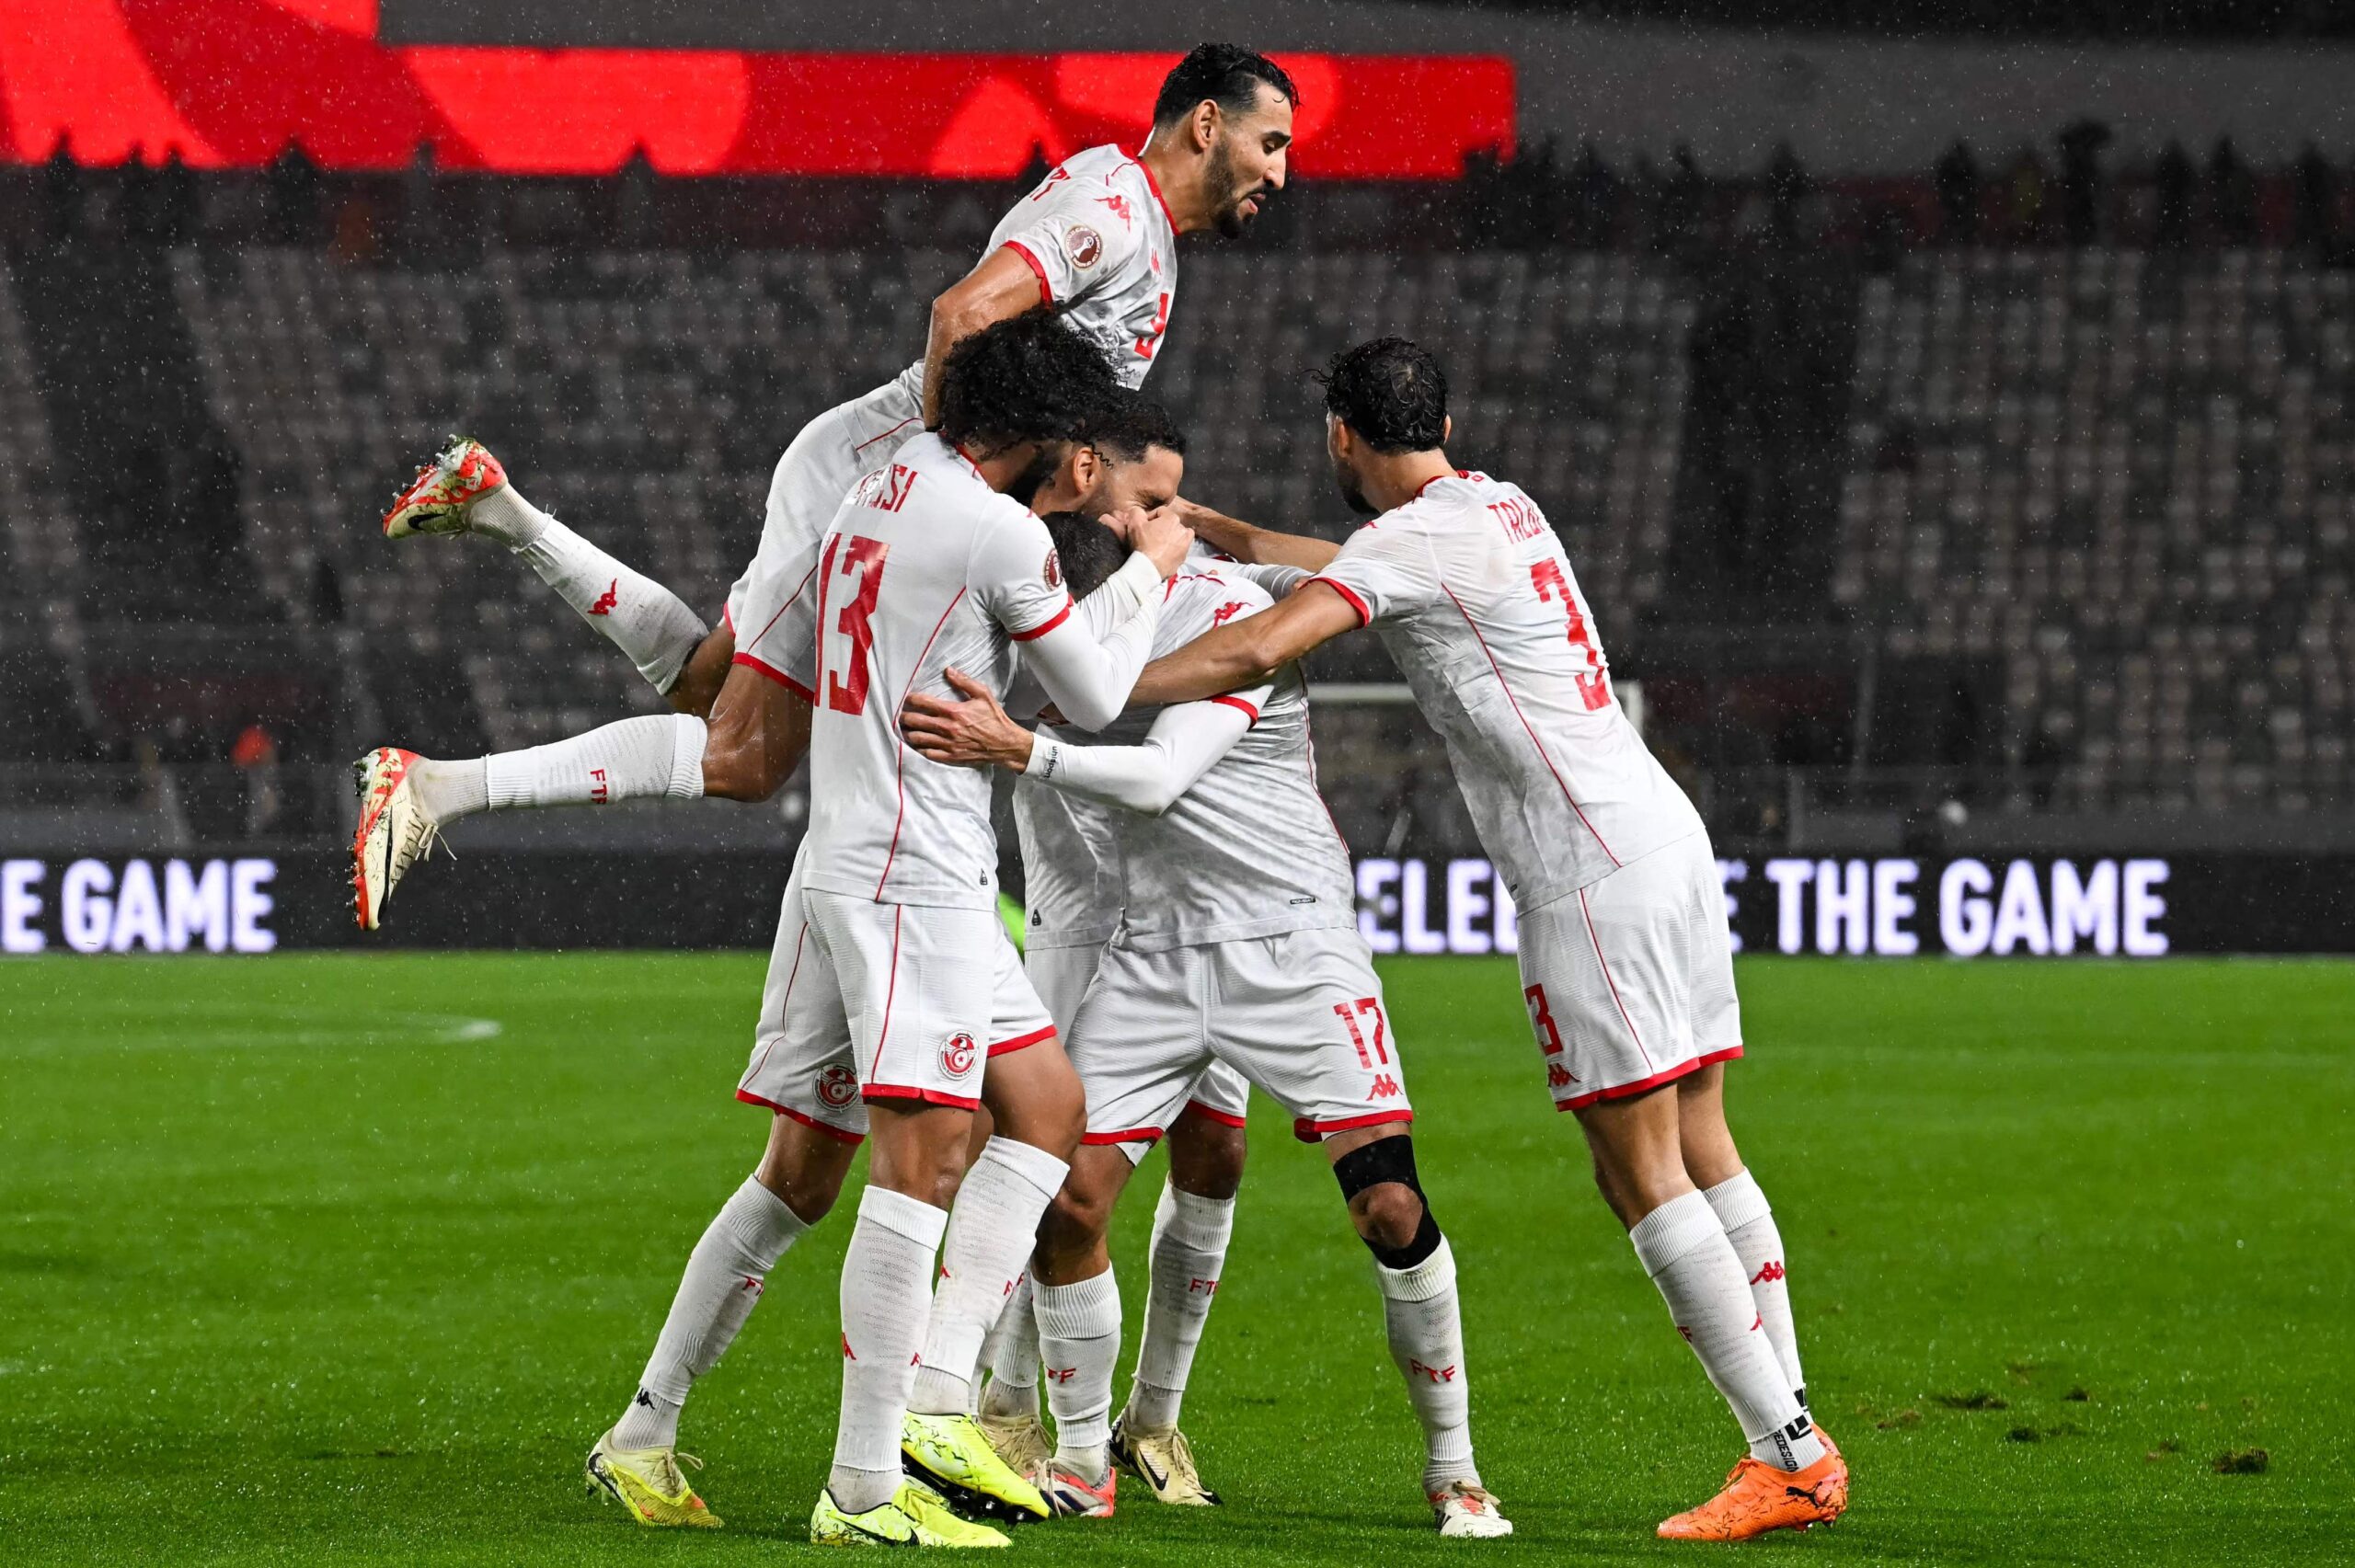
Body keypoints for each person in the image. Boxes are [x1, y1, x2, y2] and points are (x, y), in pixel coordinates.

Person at [349, 42, 1298, 1532]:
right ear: (1201, 125)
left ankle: (670, 1429)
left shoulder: (1134, 280)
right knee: (739, 754)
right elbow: (965, 317)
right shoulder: (1110, 205)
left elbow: (1077, 465)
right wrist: (939, 483)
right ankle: (902, 1442)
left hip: (897, 580)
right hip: (890, 504)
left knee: (804, 1120)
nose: (1278, 175)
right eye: (1270, 144)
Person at [1126, 338, 1848, 1541]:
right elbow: (1358, 569)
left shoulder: (1405, 546)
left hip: (1586, 875)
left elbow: (1262, 645)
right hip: (1661, 834)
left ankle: (1786, 1451)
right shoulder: (1495, 506)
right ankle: (1787, 1414)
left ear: (1341, 438)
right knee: (1707, 1134)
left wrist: (1089, 685)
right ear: (1444, 420)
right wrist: (1234, 536)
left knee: (1637, 1169)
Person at [900, 511, 1514, 1539]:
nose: (1147, 510)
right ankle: (1085, 1458)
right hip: (1147, 955)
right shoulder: (1065, 626)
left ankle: (1454, 1471)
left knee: (1389, 1207)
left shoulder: (1233, 609)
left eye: (1162, 496)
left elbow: (1158, 774)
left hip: (1290, 946)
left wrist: (1022, 742)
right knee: (1069, 1204)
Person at [790, 313, 1192, 1546]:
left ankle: (937, 1397)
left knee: (1050, 1109)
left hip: (920, 864)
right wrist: (1152, 569)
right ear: (1043, 435)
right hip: (911, 869)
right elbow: (1096, 695)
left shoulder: (880, 485)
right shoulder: (1000, 528)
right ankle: (866, 1480)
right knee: (921, 1162)